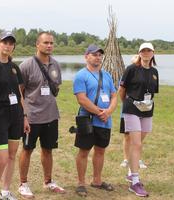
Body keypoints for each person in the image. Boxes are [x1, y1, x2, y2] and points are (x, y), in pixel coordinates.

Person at [0, 31, 30, 200]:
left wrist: (24, 117)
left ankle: (5, 191)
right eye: (5, 42)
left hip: (15, 115)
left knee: (11, 156)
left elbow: (19, 94)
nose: (8, 46)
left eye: (11, 43)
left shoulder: (15, 68)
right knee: (1, 159)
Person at [18, 32, 65, 199]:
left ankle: (48, 181)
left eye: (51, 43)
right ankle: (23, 184)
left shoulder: (56, 65)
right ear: (37, 45)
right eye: (45, 42)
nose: (49, 45)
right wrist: (23, 115)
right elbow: (20, 92)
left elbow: (56, 87)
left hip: (51, 116)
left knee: (48, 150)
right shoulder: (26, 65)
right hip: (32, 117)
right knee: (27, 149)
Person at [72, 44, 117, 197]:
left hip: (105, 121)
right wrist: (99, 112)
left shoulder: (107, 75)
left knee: (100, 150)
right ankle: (81, 183)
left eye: (99, 55)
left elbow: (114, 96)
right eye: (94, 54)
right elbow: (82, 99)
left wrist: (109, 111)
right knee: (84, 151)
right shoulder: (81, 75)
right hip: (88, 119)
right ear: (86, 56)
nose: (98, 57)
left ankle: (97, 181)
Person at [119, 42, 159, 197]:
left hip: (147, 109)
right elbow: (122, 90)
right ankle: (135, 181)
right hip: (131, 108)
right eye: (143, 50)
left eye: (149, 50)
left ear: (153, 53)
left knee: (139, 143)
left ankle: (131, 170)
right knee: (136, 143)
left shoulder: (154, 72)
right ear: (139, 53)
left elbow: (152, 91)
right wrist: (127, 105)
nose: (146, 53)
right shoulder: (131, 69)